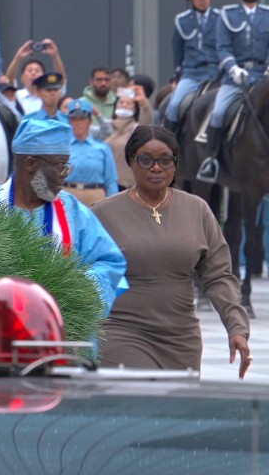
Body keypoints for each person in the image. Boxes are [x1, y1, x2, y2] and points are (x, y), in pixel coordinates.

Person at [92, 125, 251, 376]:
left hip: (181, 339)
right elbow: (80, 275)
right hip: (123, 333)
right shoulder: (103, 213)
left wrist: (237, 328)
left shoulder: (197, 209)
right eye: (145, 160)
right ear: (130, 162)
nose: (156, 168)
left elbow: (219, 276)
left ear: (176, 164)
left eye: (165, 160)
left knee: (176, 413)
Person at [0, 116, 127, 313]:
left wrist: (73, 287)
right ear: (31, 164)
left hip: (60, 326)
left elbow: (110, 261)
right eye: (60, 166)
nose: (65, 176)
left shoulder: (71, 209)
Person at [200, 0, 269, 183]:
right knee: (218, 113)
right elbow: (223, 47)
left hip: (263, 76)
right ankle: (212, 160)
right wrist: (233, 68)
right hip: (235, 78)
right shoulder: (227, 14)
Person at [165, 0, 221, 134]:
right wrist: (177, 76)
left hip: (218, 73)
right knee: (175, 105)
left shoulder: (222, 18)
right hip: (193, 74)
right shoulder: (181, 20)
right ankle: (170, 142)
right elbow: (178, 52)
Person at [63, 99, 118, 206]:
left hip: (95, 196)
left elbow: (111, 181)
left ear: (90, 121)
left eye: (82, 119)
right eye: (73, 119)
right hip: (68, 195)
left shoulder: (102, 148)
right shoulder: (63, 147)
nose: (78, 123)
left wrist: (113, 205)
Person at [103, 85, 155, 193]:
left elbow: (147, 125)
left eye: (129, 103)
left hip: (127, 185)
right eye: (121, 102)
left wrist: (143, 103)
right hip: (104, 184)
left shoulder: (136, 129)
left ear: (135, 108)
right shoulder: (105, 126)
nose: (124, 105)